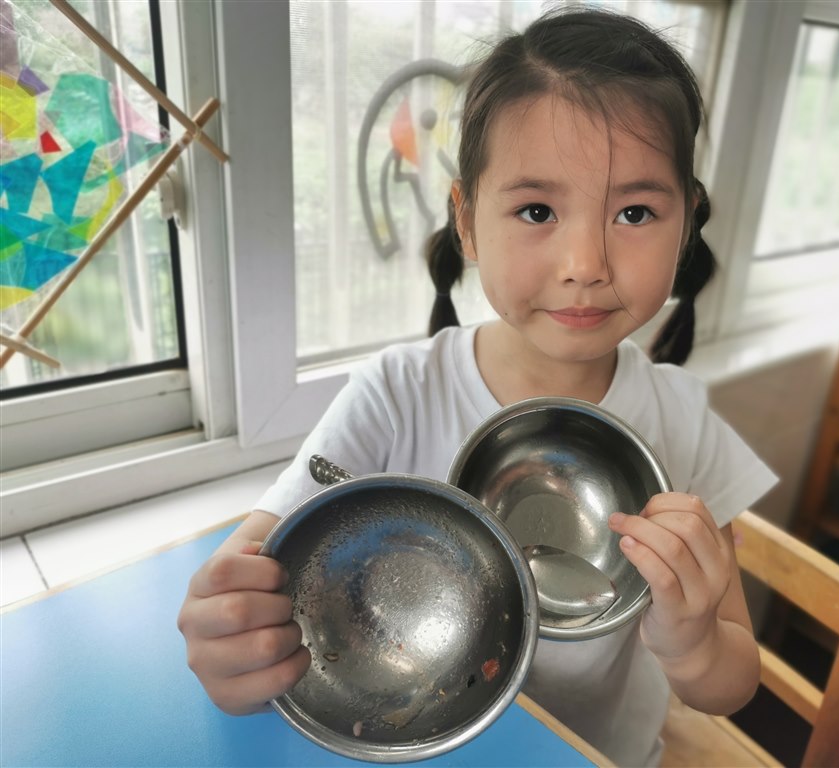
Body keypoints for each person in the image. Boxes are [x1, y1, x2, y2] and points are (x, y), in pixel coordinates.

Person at [177, 8, 778, 767]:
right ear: (466, 222)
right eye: (536, 210)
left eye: (635, 212)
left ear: (686, 223)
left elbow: (732, 683)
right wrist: (231, 641)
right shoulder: (397, 392)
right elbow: (255, 567)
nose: (585, 263)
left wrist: (692, 643)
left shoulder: (684, 423)